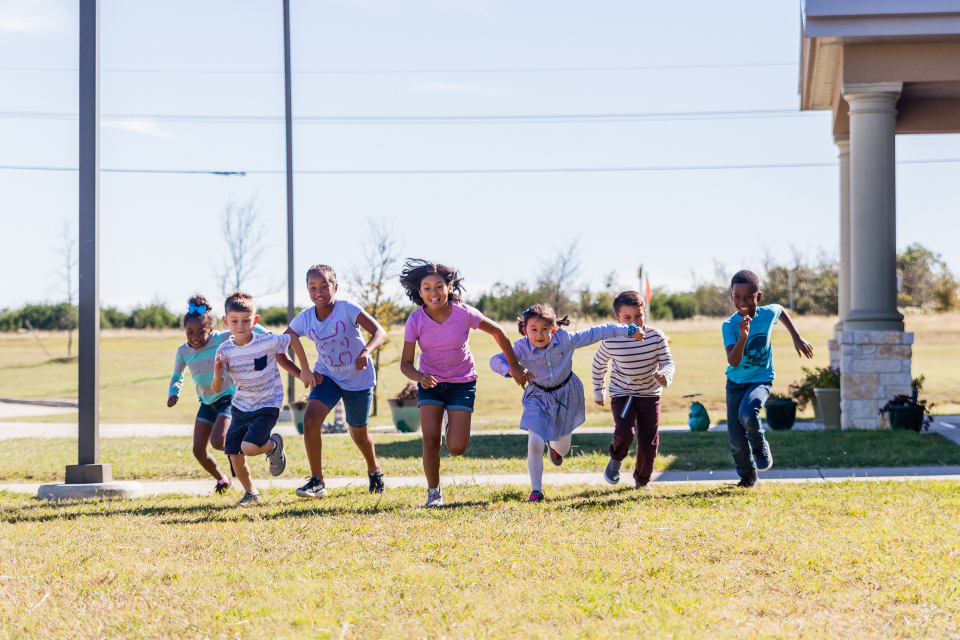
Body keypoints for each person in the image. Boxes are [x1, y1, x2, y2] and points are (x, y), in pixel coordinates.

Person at [399, 258, 527, 507]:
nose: (434, 292)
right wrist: (420, 377)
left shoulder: (465, 313)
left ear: (449, 287)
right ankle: (434, 493)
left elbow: (498, 332)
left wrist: (514, 365)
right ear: (420, 292)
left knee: (457, 447)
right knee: (430, 440)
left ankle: (450, 420)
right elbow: (405, 364)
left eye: (439, 286)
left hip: (461, 382)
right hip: (430, 384)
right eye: (427, 288)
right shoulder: (415, 320)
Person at [491, 304, 644, 502]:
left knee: (563, 449)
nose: (539, 334)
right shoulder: (520, 348)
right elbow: (495, 361)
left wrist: (628, 329)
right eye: (533, 329)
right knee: (535, 442)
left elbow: (598, 332)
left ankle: (553, 447)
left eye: (544, 329)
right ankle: (536, 491)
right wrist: (512, 369)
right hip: (537, 397)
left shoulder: (565, 339)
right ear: (524, 330)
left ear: (554, 329)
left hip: (566, 395)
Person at [284, 264, 389, 499]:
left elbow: (380, 332)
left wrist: (366, 352)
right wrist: (302, 372)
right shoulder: (305, 318)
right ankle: (317, 481)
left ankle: (374, 471)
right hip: (327, 375)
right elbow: (281, 347)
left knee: (359, 435)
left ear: (335, 287)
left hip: (358, 378)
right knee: (310, 420)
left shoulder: (347, 308)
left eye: (324, 286)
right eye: (312, 287)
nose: (318, 292)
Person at [213, 292, 312, 506]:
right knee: (234, 454)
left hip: (268, 402)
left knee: (248, 447)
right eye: (234, 321)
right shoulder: (224, 350)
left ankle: (274, 444)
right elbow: (217, 388)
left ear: (255, 320)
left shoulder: (266, 341)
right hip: (241, 406)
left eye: (246, 321)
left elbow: (293, 339)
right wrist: (217, 376)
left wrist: (304, 369)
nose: (240, 326)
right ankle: (251, 493)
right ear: (225, 321)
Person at [167, 294, 268, 494]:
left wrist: (269, 335)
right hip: (206, 403)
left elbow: (250, 328)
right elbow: (177, 375)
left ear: (211, 330)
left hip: (227, 398)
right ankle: (223, 479)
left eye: (201, 332)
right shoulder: (183, 351)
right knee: (198, 451)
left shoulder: (219, 339)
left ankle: (239, 452)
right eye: (189, 332)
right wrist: (173, 392)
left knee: (218, 441)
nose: (195, 336)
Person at [723, 270, 813, 488]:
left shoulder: (766, 314)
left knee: (748, 412)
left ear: (758, 296)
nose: (742, 302)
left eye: (749, 296)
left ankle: (759, 445)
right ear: (731, 296)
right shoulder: (729, 325)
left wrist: (796, 337)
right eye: (737, 296)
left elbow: (780, 309)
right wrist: (743, 336)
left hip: (761, 379)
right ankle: (747, 476)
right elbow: (733, 361)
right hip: (735, 384)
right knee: (736, 438)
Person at [592, 291, 675, 489]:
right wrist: (598, 391)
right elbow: (599, 364)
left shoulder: (656, 336)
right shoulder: (612, 339)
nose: (634, 322)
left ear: (644, 313)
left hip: (650, 394)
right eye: (627, 317)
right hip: (623, 393)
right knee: (625, 432)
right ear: (617, 319)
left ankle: (642, 480)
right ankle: (616, 458)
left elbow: (668, 362)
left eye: (638, 316)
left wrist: (664, 375)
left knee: (648, 441)